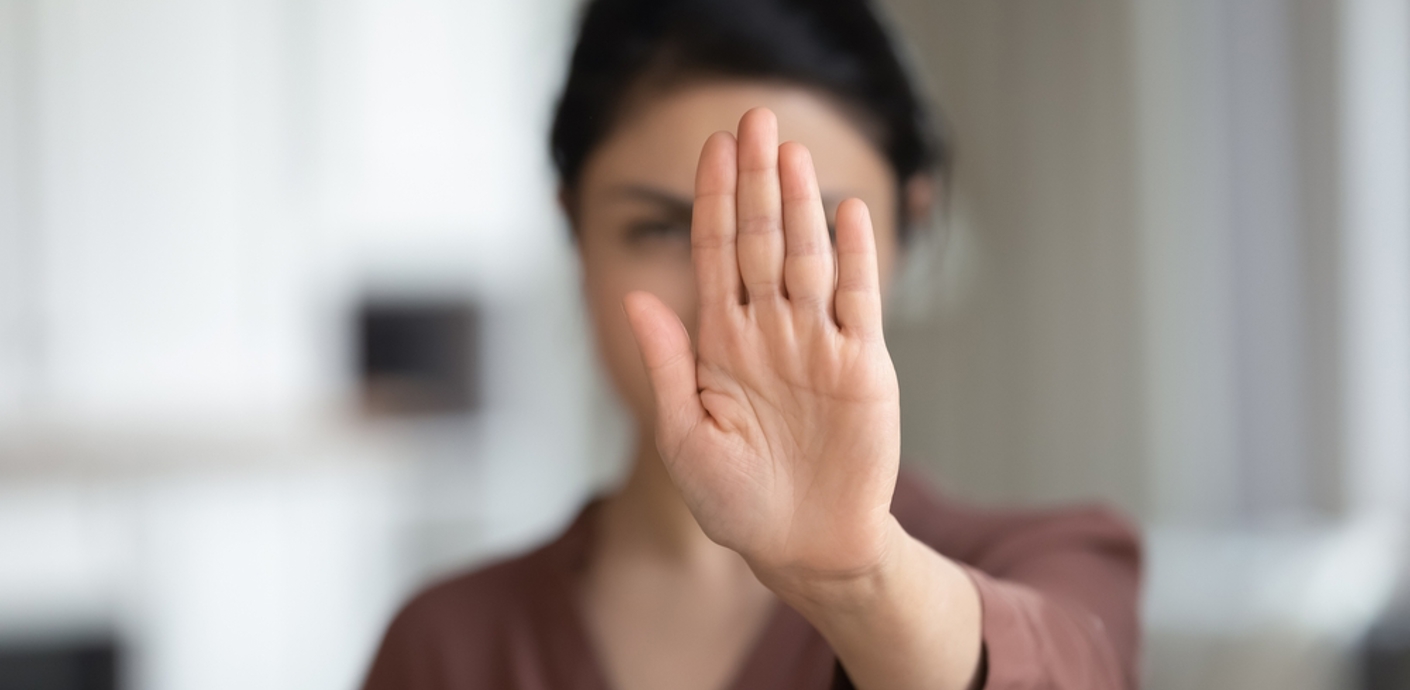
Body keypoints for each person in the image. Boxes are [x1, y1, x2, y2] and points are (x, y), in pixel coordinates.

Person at [361, 0, 1141, 688]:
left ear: (909, 227)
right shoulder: (447, 646)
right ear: (574, 231)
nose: (729, 294)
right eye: (663, 228)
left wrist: (854, 574)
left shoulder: (1060, 564)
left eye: (807, 229)